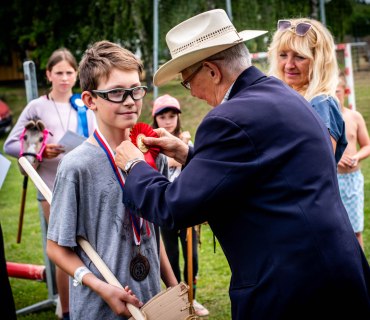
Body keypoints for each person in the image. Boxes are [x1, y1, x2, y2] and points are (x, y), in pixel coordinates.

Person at [114, 9, 370, 319]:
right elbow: (262, 170)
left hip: (289, 291)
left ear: (212, 70)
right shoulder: (283, 95)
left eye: (187, 81)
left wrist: (135, 166)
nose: (192, 92)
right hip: (336, 274)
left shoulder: (227, 120)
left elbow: (174, 207)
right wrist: (189, 153)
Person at [46, 40, 177, 320]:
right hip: (99, 308)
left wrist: (174, 287)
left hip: (152, 303)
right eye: (117, 92)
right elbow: (56, 247)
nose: (130, 100)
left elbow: (152, 234)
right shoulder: (76, 166)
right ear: (90, 100)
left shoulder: (153, 156)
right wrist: (101, 287)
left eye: (136, 90)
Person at [3, 48, 96, 320]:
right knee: (63, 247)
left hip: (82, 185)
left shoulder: (83, 104)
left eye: (69, 72)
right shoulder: (37, 107)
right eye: (59, 73)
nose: (65, 78)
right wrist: (41, 151)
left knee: (87, 246)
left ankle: (88, 302)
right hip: (50, 187)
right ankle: (66, 310)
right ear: (48, 74)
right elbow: (11, 144)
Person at [151, 94, 209, 317]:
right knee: (171, 258)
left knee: (191, 256)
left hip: (187, 208)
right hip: (166, 209)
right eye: (163, 116)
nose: (168, 120)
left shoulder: (188, 141)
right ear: (155, 119)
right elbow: (169, 162)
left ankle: (192, 298)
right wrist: (178, 154)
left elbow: (195, 166)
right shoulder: (151, 144)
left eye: (172, 116)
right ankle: (177, 301)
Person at [267, 18, 347, 163]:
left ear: (319, 61)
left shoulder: (321, 103)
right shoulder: (284, 97)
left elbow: (319, 165)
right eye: (283, 55)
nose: (289, 65)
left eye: (299, 57)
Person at [336, 72, 370, 249]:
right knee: (337, 230)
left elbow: (367, 146)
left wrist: (356, 156)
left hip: (352, 180)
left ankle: (362, 272)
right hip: (333, 181)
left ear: (346, 91)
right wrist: (335, 158)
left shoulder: (354, 117)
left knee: (356, 230)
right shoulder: (321, 118)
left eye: (338, 92)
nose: (335, 96)